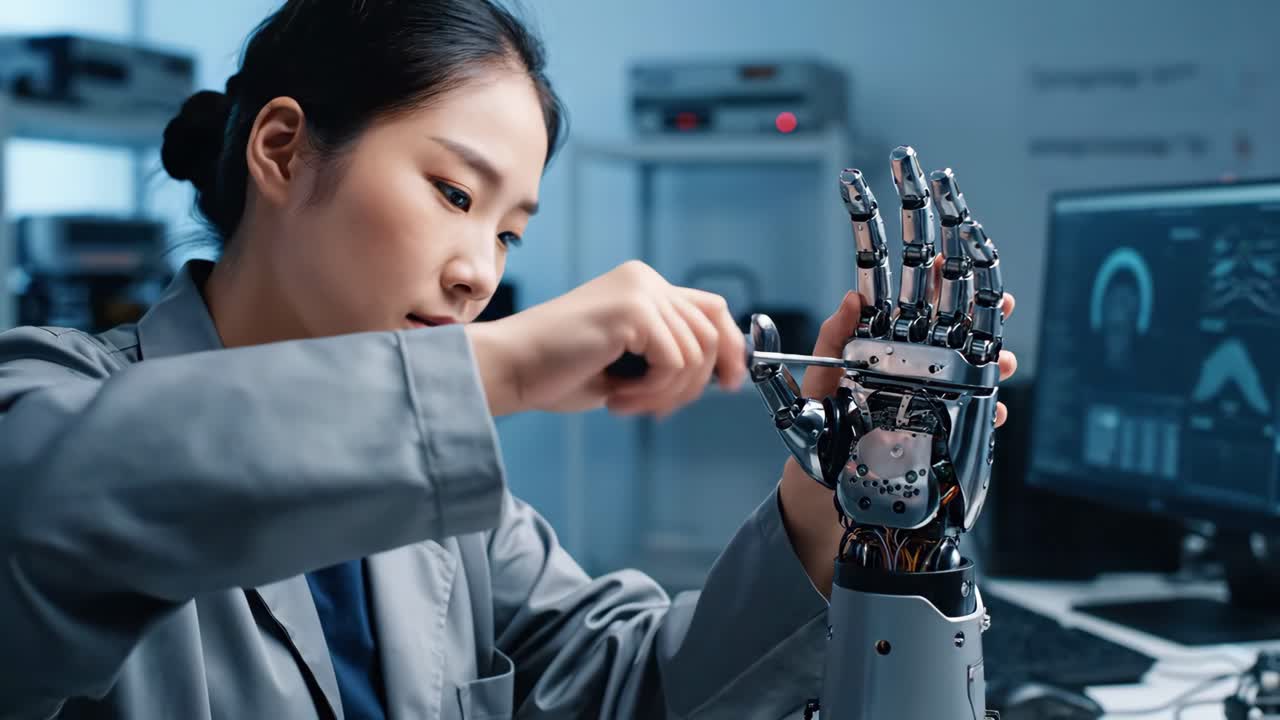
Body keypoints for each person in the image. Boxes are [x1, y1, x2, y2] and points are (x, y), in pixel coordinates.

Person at [0, 2, 1017, 718]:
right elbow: (56, 518)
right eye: (453, 194)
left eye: (507, 234)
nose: (477, 276)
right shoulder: (54, 396)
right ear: (281, 150)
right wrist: (507, 369)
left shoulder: (456, 521)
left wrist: (829, 488)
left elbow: (635, 686)